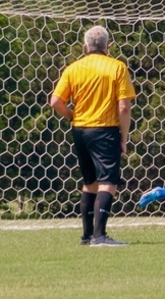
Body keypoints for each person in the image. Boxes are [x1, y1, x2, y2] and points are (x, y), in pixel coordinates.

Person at [49, 26, 136, 247]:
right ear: (108, 46)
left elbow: (55, 101)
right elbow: (124, 107)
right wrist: (123, 138)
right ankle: (99, 236)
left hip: (80, 130)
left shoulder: (73, 68)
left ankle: (87, 236)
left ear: (85, 46)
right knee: (108, 183)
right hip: (105, 129)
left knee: (90, 183)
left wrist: (72, 116)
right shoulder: (117, 67)